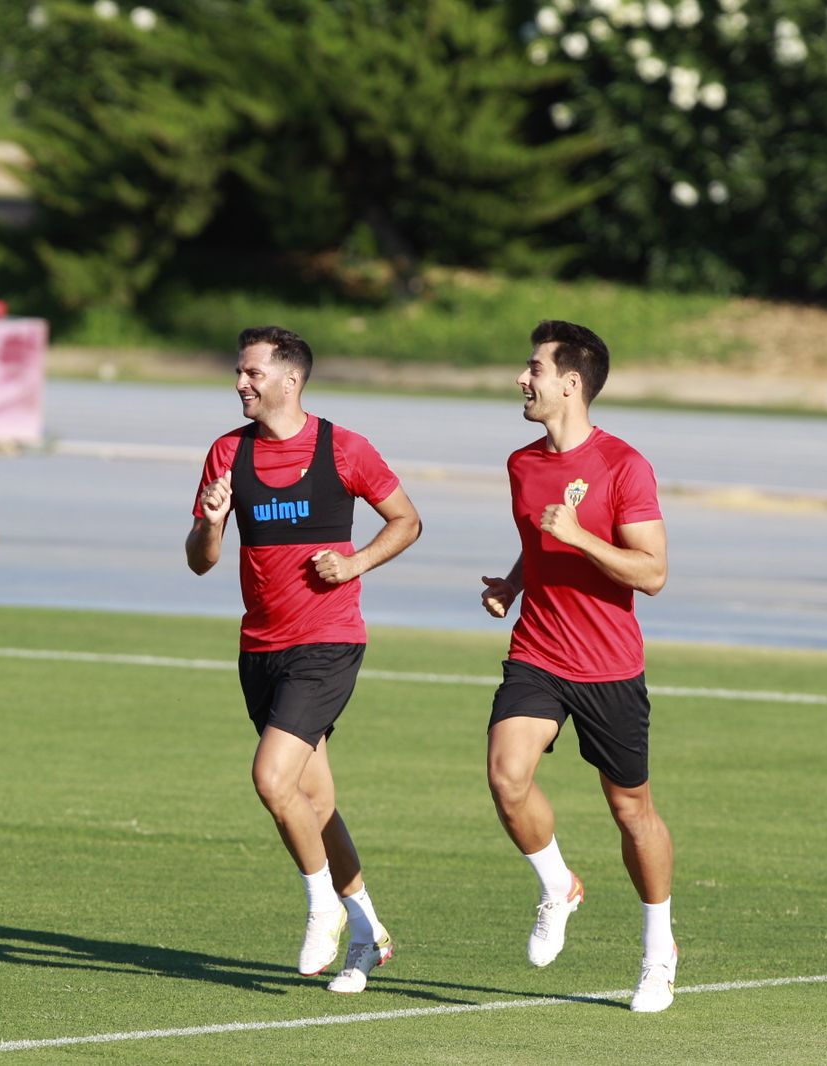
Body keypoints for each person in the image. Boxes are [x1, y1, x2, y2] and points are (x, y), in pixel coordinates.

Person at [186, 325, 421, 994]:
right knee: (312, 800)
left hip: (327, 641)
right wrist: (209, 521)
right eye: (238, 372)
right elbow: (201, 561)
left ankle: (322, 906)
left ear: (290, 380)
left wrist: (353, 564)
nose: (240, 384)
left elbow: (406, 520)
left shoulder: (343, 447)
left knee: (270, 779)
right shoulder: (227, 453)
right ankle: (369, 933)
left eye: (252, 373)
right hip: (259, 649)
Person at [478, 320, 677, 1013]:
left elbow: (651, 573)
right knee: (507, 777)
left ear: (571, 383)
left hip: (610, 666)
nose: (521, 380)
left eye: (533, 369)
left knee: (632, 812)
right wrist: (513, 582)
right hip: (538, 653)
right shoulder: (521, 465)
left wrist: (581, 537)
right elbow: (541, 545)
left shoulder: (625, 465)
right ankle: (558, 884)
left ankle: (659, 951)